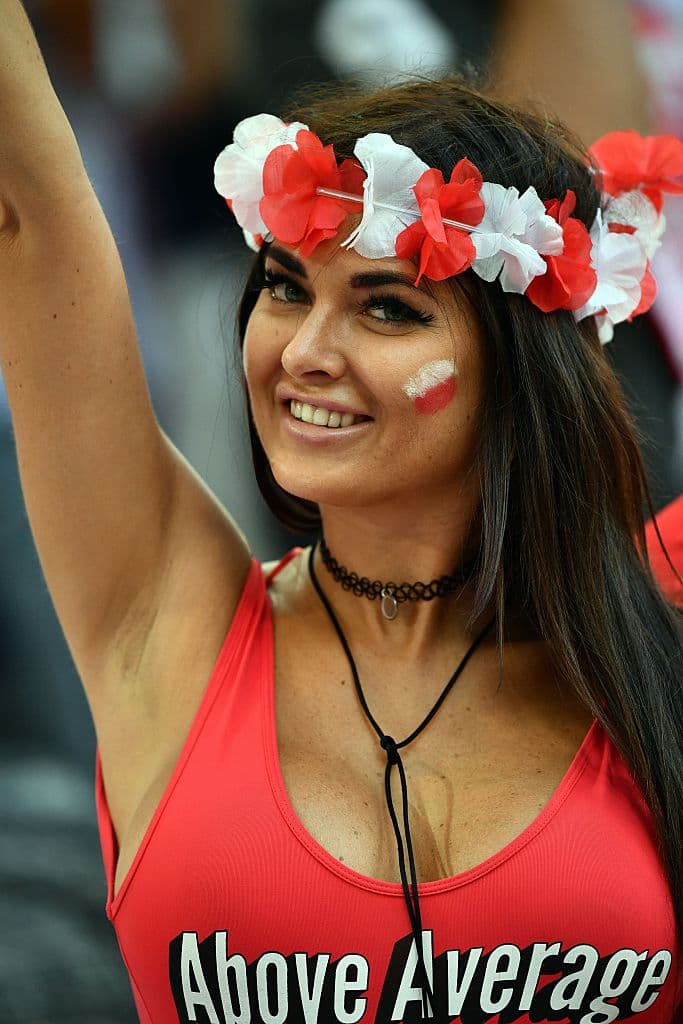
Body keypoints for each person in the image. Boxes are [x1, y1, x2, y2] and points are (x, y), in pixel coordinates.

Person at [1, 4, 683, 1023]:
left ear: (523, 370)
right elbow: (27, 210)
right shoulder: (169, 625)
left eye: (385, 307)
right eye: (284, 288)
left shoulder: (654, 618)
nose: (304, 351)